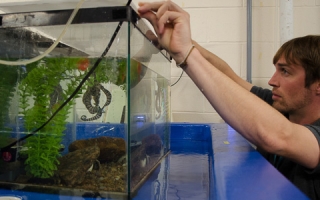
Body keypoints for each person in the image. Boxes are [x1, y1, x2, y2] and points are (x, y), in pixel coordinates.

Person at [138, 1, 320, 199]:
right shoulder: (281, 108)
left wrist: (185, 54)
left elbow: (278, 136)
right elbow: (230, 77)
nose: (271, 81)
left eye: (285, 71)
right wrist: (184, 43)